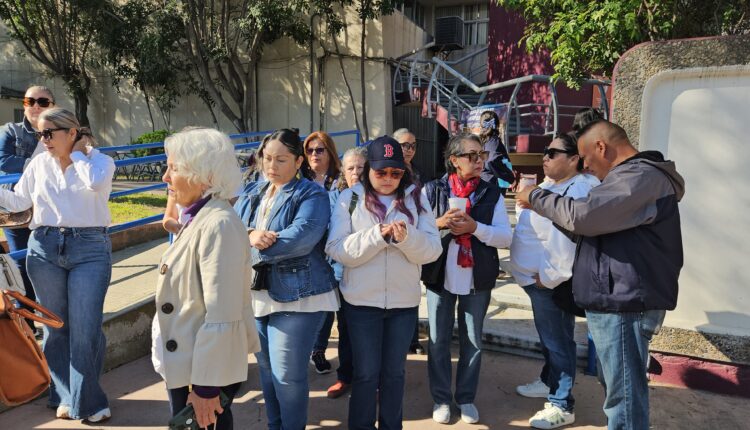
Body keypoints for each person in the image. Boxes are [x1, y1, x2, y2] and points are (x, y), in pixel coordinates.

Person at [516, 120, 685, 430]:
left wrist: (536, 197)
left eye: (586, 158)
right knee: (617, 389)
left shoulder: (640, 177)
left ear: (601, 147)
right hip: (618, 298)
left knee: (623, 396)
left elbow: (585, 217)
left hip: (626, 302)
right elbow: (591, 227)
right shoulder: (630, 178)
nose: (586, 167)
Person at [0, 107, 115, 422]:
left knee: (86, 328)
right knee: (54, 327)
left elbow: (94, 184)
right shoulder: (39, 163)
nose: (43, 140)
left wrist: (77, 155)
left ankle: (88, 401)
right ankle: (65, 395)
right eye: (39, 133)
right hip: (45, 247)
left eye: (49, 133)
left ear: (72, 132)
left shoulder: (100, 162)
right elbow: (20, 201)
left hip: (89, 248)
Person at [326, 136, 442, 430]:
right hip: (361, 304)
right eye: (381, 172)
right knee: (365, 374)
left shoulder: (417, 197)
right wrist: (377, 236)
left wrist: (406, 238)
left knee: (394, 374)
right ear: (368, 170)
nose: (389, 178)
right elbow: (337, 249)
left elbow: (432, 250)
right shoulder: (349, 198)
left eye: (396, 172)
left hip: (403, 304)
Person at [154, 127, 260, 430]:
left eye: (173, 168)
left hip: (202, 374)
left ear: (204, 175)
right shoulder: (200, 217)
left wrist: (206, 388)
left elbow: (222, 312)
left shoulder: (218, 224)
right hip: (192, 366)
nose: (165, 177)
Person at [234, 128, 338, 430]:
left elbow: (300, 240)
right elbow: (235, 230)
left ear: (297, 161)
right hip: (258, 293)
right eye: (266, 159)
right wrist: (251, 236)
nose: (271, 166)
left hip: (300, 294)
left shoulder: (312, 193)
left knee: (286, 374)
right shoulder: (254, 191)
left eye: (281, 160)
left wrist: (247, 247)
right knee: (266, 370)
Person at [420, 133, 513, 424]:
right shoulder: (431, 190)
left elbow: (505, 236)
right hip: (439, 275)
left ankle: (466, 397)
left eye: (481, 155)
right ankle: (441, 398)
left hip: (478, 275)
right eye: (471, 155)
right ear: (454, 160)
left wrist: (475, 227)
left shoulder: (491, 192)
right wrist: (440, 223)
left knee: (473, 339)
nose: (478, 161)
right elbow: (418, 230)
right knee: (438, 340)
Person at [511, 133, 598, 429]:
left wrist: (547, 278)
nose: (544, 157)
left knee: (558, 341)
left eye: (552, 152)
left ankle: (562, 403)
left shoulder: (579, 189)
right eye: (545, 152)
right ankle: (550, 381)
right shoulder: (549, 185)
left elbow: (566, 243)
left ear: (574, 159)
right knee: (553, 339)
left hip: (552, 283)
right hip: (537, 282)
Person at [0, 85, 56, 335]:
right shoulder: (10, 131)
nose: (35, 106)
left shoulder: (60, 131)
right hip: (17, 210)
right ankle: (27, 322)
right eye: (29, 100)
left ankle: (49, 317)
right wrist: (39, 162)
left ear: (52, 105)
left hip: (49, 209)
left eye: (43, 102)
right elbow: (3, 160)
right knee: (21, 264)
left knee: (47, 262)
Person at [325, 146, 367, 399]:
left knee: (369, 331)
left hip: (370, 272)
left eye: (361, 167)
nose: (356, 172)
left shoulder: (375, 195)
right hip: (342, 271)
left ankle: (370, 379)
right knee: (347, 328)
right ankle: (345, 376)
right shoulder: (336, 196)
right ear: (342, 170)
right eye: (350, 168)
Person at [303, 131, 342, 374]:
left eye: (320, 150)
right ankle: (309, 348)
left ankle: (319, 349)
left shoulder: (340, 180)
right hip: (308, 249)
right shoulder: (300, 179)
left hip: (334, 248)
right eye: (310, 150)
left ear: (330, 152)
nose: (314, 155)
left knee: (330, 304)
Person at [392, 127, 425, 355]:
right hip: (391, 239)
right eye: (404, 145)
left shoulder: (420, 172)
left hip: (416, 239)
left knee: (412, 290)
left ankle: (412, 340)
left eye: (412, 145)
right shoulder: (387, 172)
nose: (409, 150)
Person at [478, 110, 515, 194]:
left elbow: (499, 159)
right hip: (492, 188)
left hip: (485, 185)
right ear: (497, 125)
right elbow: (492, 160)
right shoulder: (493, 142)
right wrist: (510, 177)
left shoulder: (482, 142)